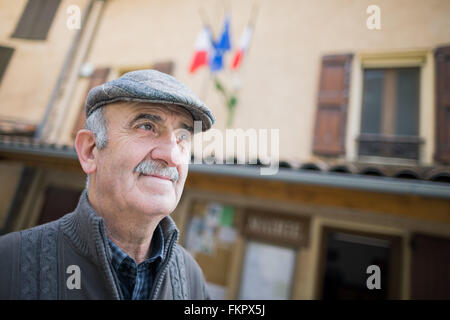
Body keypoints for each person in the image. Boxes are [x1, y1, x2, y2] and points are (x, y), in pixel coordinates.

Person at [0, 70, 215, 299]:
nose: (172, 156)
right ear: (90, 150)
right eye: (146, 126)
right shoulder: (9, 263)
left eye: (183, 137)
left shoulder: (191, 279)